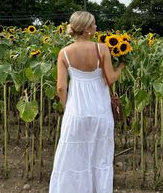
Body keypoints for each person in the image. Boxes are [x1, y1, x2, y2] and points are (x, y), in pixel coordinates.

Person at [49, 11, 125, 193]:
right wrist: (121, 66)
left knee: (72, 158)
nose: (96, 28)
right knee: (100, 159)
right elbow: (110, 78)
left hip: (76, 113)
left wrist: (68, 109)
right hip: (101, 112)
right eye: (94, 25)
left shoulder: (64, 53)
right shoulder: (102, 49)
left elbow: (61, 87)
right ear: (87, 30)